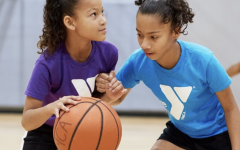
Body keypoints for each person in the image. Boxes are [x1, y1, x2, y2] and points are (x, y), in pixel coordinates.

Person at [96, 0, 240, 149]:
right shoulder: (138, 61)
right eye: (140, 34)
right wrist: (109, 95)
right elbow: (116, 98)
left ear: (175, 31)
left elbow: (231, 109)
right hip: (181, 131)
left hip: (217, 133)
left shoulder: (204, 59)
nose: (144, 44)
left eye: (153, 37)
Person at [21, 0, 125, 149]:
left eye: (102, 12)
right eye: (94, 14)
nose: (103, 20)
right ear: (70, 22)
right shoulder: (48, 63)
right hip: (45, 133)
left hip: (84, 129)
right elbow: (26, 120)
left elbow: (91, 106)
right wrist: (53, 107)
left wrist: (109, 96)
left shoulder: (109, 53)